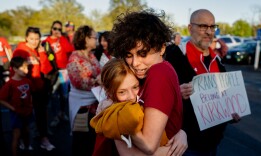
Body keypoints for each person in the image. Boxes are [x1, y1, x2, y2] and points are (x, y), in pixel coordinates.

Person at [108, 10, 188, 156]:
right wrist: (181, 131)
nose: (135, 63)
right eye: (128, 55)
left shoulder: (159, 73)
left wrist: (114, 116)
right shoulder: (145, 73)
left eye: (143, 53)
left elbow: (149, 145)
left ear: (162, 48)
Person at [165, 9, 240, 156]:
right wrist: (176, 92)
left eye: (212, 27)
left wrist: (232, 113)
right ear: (190, 28)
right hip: (184, 146)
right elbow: (155, 93)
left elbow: (224, 99)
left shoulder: (218, 63)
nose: (209, 32)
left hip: (214, 144)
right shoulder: (174, 56)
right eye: (203, 26)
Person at [90, 58, 170, 156]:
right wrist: (172, 149)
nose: (132, 96)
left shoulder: (138, 102)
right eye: (122, 92)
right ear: (109, 92)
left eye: (135, 87)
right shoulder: (116, 115)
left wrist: (180, 133)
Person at [13, 27, 55, 151]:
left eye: (37, 39)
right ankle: (23, 140)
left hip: (39, 89)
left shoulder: (39, 50)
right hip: (23, 90)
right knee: (23, 117)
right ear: (26, 38)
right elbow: (13, 71)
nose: (34, 41)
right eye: (31, 39)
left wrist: (42, 53)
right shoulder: (19, 51)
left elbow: (46, 69)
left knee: (41, 115)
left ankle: (43, 139)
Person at [66, 25, 101, 156]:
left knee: (91, 142)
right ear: (85, 39)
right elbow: (78, 81)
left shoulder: (91, 55)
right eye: (94, 37)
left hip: (94, 105)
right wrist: (98, 80)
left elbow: (99, 72)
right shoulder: (74, 58)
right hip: (82, 107)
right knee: (81, 142)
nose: (96, 40)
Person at [44, 20, 74, 127]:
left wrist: (61, 38)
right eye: (55, 28)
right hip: (53, 73)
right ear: (51, 29)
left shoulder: (62, 39)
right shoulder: (46, 41)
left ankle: (62, 113)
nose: (56, 31)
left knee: (64, 95)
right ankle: (56, 116)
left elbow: (70, 49)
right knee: (53, 95)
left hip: (63, 71)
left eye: (59, 29)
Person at [0, 57, 33, 156]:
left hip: (27, 112)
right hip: (17, 114)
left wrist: (30, 104)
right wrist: (13, 108)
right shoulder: (10, 84)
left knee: (27, 131)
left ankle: (27, 148)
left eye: (27, 68)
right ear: (14, 69)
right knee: (16, 135)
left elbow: (30, 94)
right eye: (23, 68)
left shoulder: (27, 81)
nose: (26, 70)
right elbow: (1, 99)